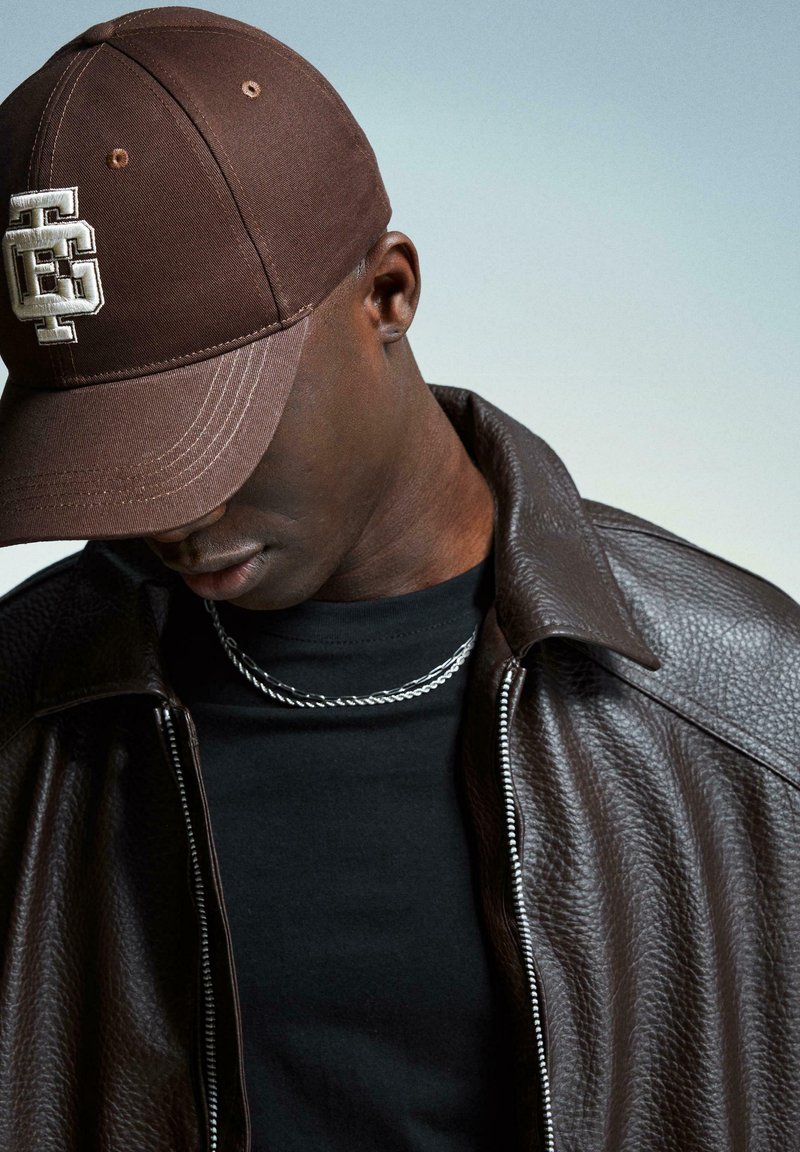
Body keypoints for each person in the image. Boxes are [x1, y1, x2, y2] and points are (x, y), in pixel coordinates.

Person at [0, 7, 798, 1152]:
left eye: (209, 435)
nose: (169, 515)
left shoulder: (752, 716)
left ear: (387, 294)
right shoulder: (18, 716)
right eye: (110, 456)